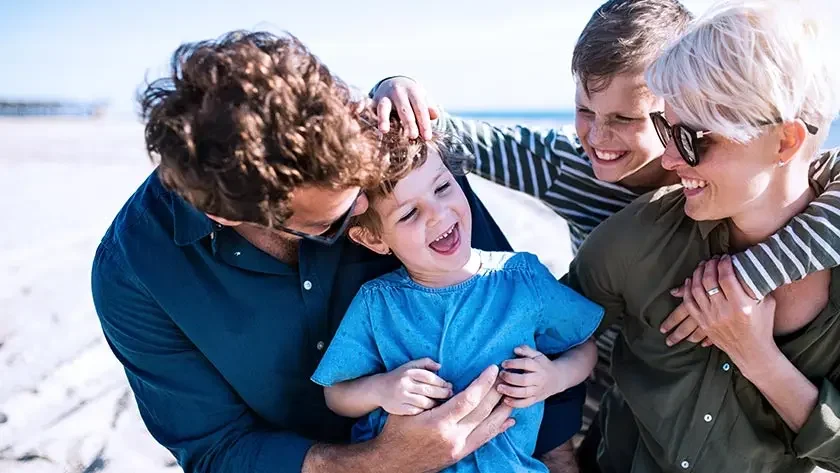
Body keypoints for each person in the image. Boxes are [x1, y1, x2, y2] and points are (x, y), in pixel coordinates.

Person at [91, 31, 585, 473]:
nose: (371, 204)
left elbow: (518, 312)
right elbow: (216, 449)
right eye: (337, 218)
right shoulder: (134, 273)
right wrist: (382, 462)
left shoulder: (377, 155)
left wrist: (559, 454)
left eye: (362, 183)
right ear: (226, 215)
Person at [370, 0, 840, 444]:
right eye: (583, 110)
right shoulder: (568, 165)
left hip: (701, 404)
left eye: (624, 118)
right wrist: (393, 89)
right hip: (595, 388)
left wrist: (752, 272)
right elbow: (437, 132)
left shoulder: (744, 176)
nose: (597, 137)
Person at [567, 1, 840, 471]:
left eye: (693, 138)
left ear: (785, 142)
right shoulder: (633, 238)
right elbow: (532, 338)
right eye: (664, 129)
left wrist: (759, 357)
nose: (669, 161)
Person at [310, 127, 603, 472]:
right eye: (409, 214)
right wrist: (381, 389)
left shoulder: (520, 278)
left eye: (443, 187)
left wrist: (555, 376)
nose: (438, 213)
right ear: (374, 238)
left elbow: (585, 347)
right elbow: (336, 393)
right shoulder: (378, 303)